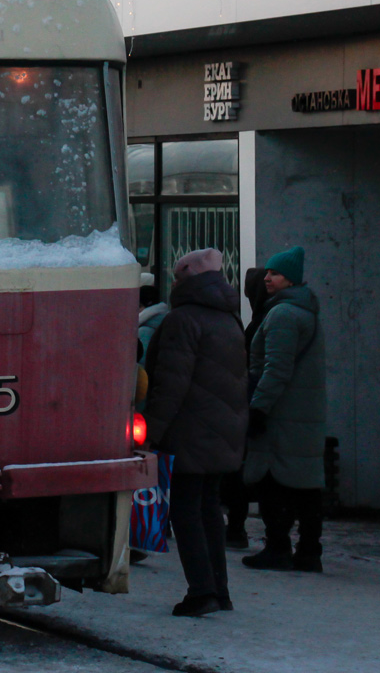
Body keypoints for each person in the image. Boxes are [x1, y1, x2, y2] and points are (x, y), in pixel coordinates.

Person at [142, 248, 248, 617]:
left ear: (186, 280)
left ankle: (202, 592)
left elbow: (170, 385)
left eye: (176, 278)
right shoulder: (229, 318)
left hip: (189, 430)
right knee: (208, 509)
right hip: (223, 431)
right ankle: (219, 590)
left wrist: (152, 431)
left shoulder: (182, 320)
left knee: (185, 510)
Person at [242, 245, 327, 574]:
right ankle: (309, 551)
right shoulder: (307, 312)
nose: (267, 278)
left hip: (281, 413)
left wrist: (258, 408)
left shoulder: (282, 315)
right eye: (267, 272)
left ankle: (278, 547)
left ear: (290, 280)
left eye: (275, 273)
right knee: (304, 483)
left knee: (273, 482)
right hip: (303, 414)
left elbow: (275, 369)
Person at [221, 267, 272, 549]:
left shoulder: (259, 323)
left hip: (251, 404)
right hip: (255, 404)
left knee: (240, 471)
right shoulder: (261, 320)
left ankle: (237, 528)